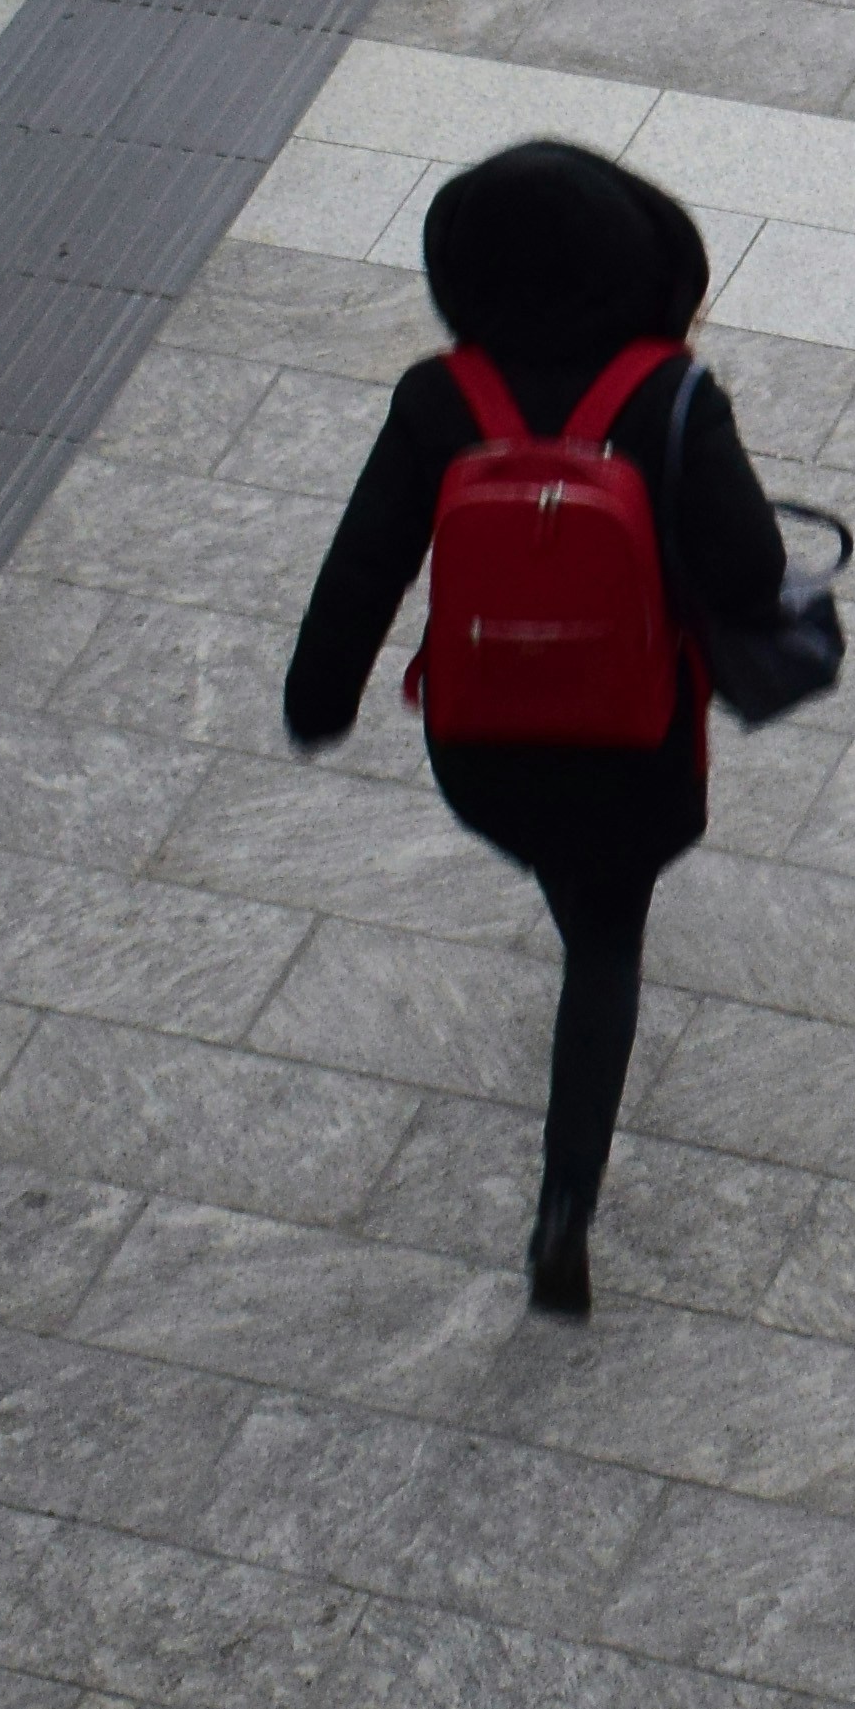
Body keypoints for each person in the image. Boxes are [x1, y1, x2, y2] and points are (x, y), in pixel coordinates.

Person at [285, 137, 784, 1315]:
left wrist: (319, 698)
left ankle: (565, 905)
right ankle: (565, 1205)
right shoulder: (668, 395)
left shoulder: (437, 398)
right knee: (606, 946)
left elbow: (360, 571)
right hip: (634, 745)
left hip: (485, 750)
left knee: (570, 887)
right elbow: (756, 576)